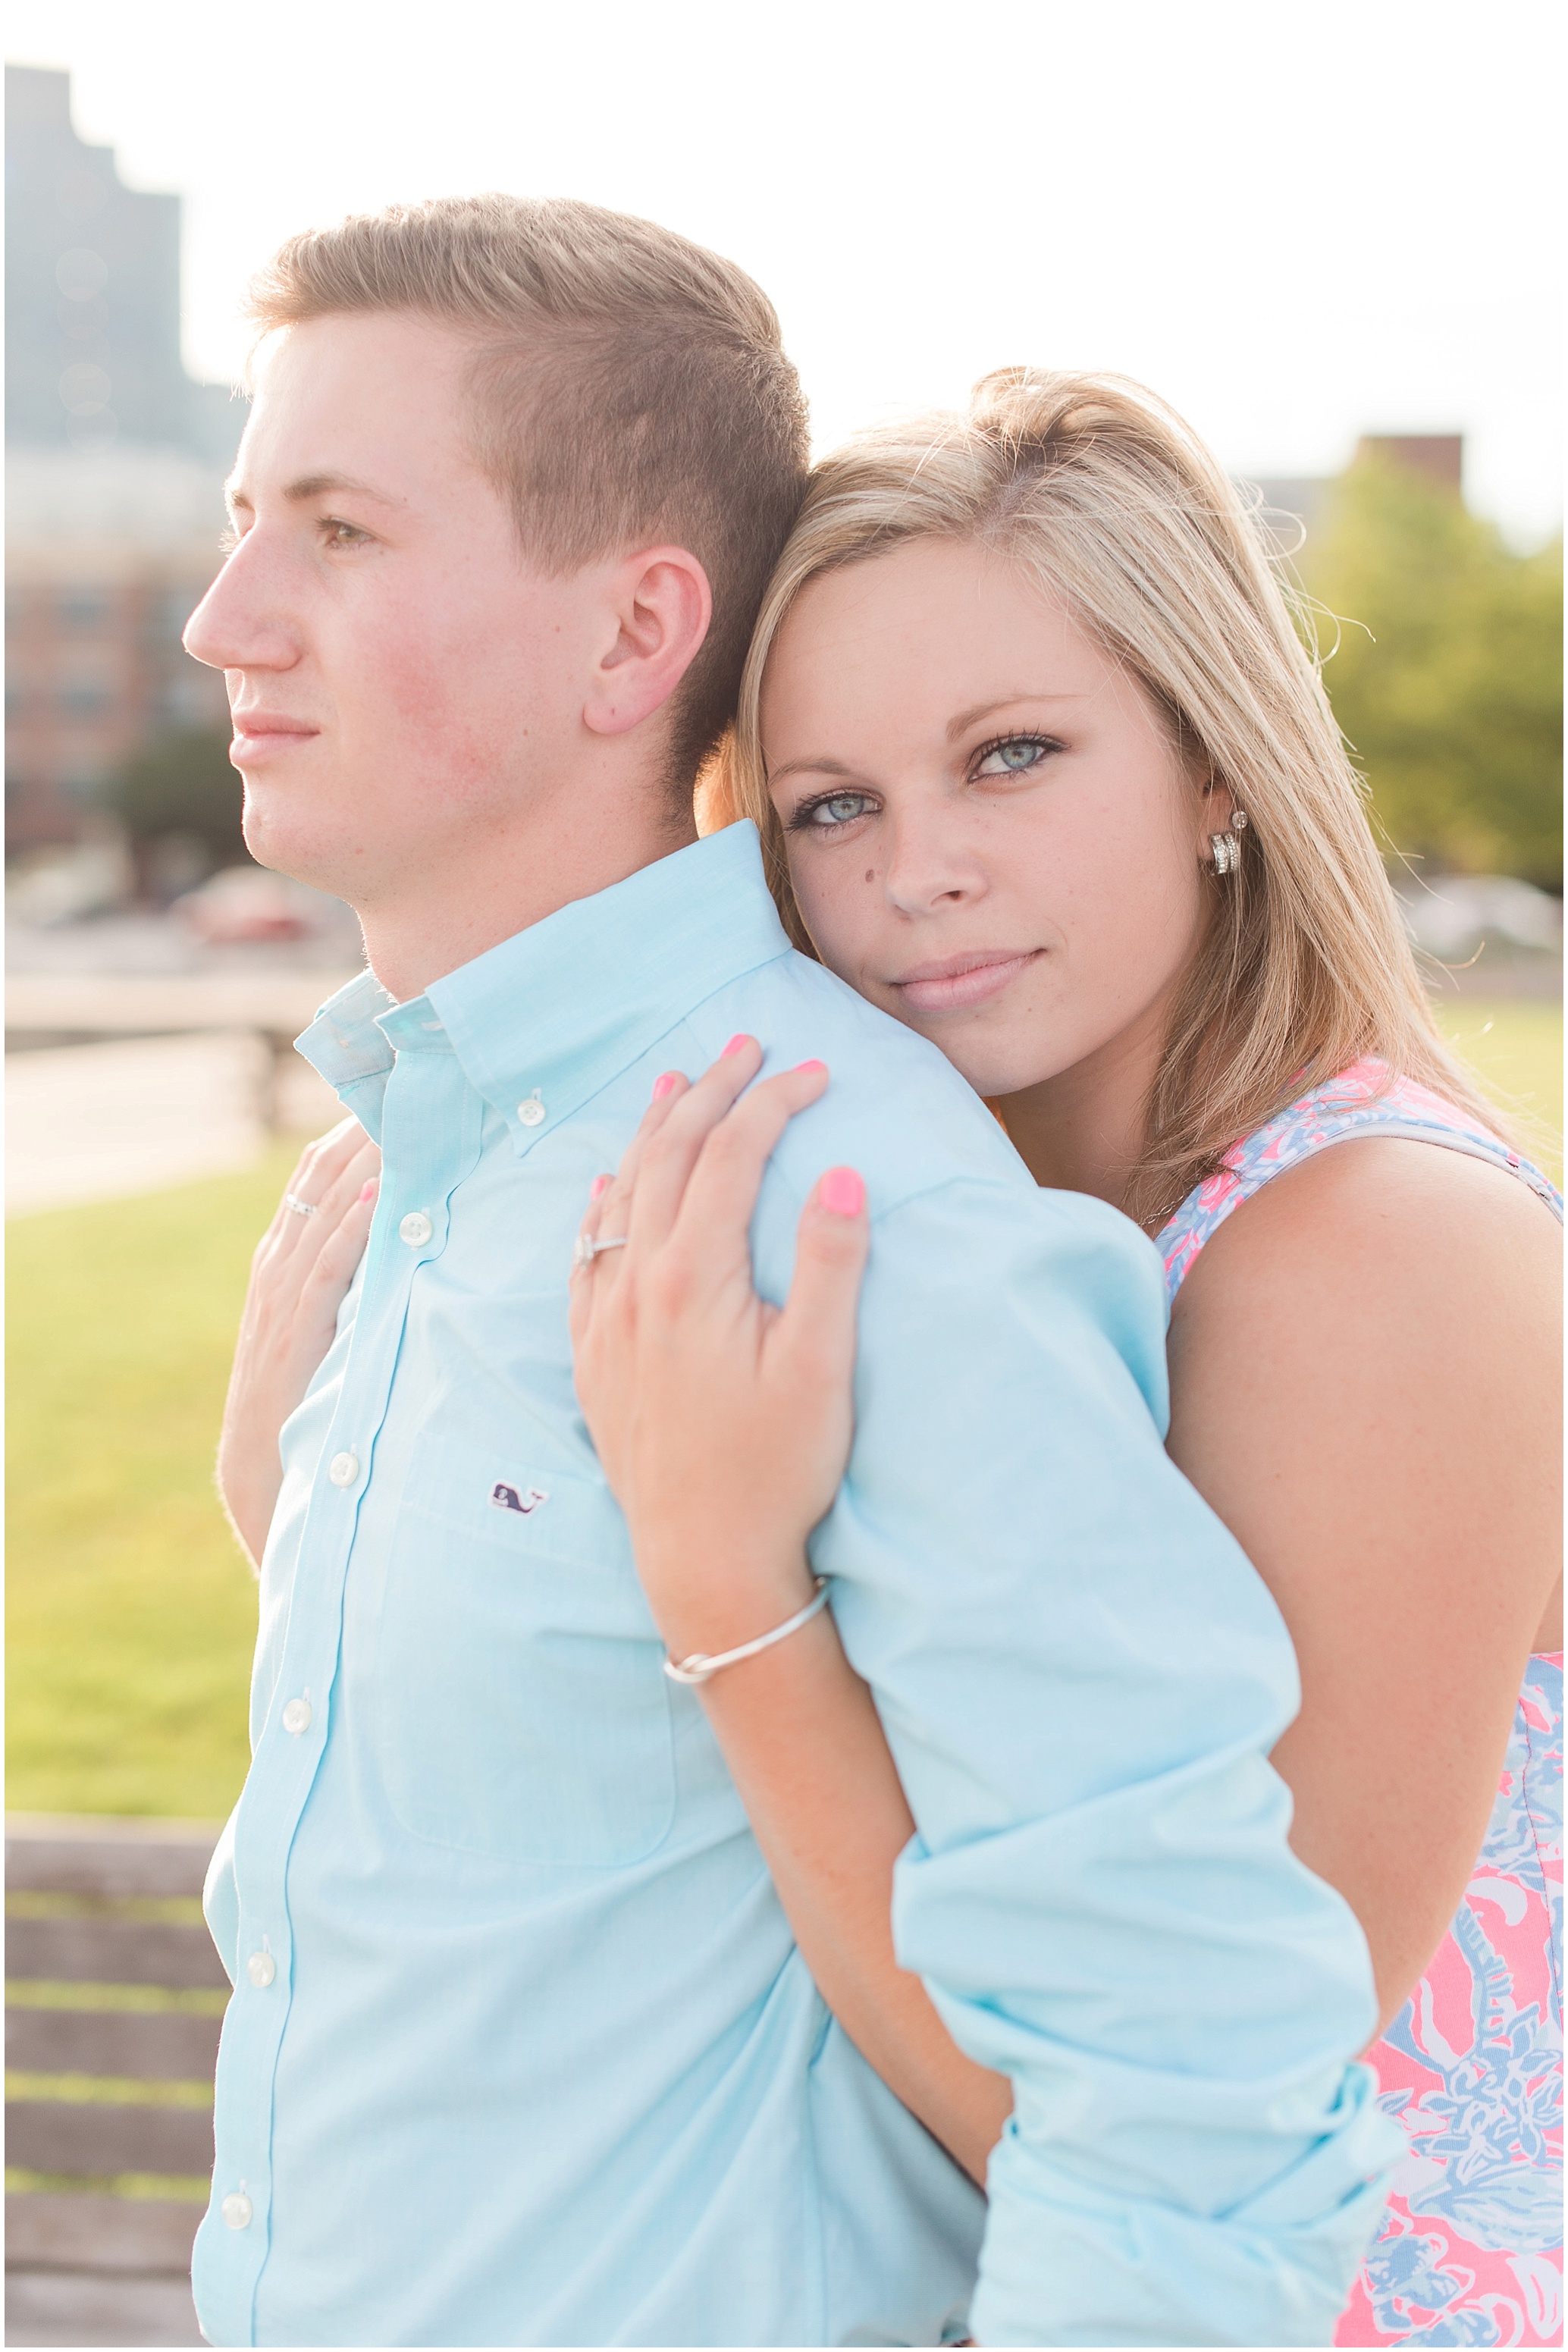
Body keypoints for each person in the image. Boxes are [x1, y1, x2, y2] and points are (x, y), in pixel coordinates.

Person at [196, 200, 1398, 2350]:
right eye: (236, 520)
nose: (226, 618)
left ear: (634, 628)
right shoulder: (436, 1170)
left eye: (340, 533)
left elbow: (1196, 2108)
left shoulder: (844, 1209)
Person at [560, 373, 1565, 2347]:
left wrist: (725, 1592)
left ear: (1214, 766)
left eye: (1009, 756)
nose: (909, 868)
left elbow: (1171, 2143)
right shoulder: (974, 1235)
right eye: (827, 804)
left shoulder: (1371, 1250)